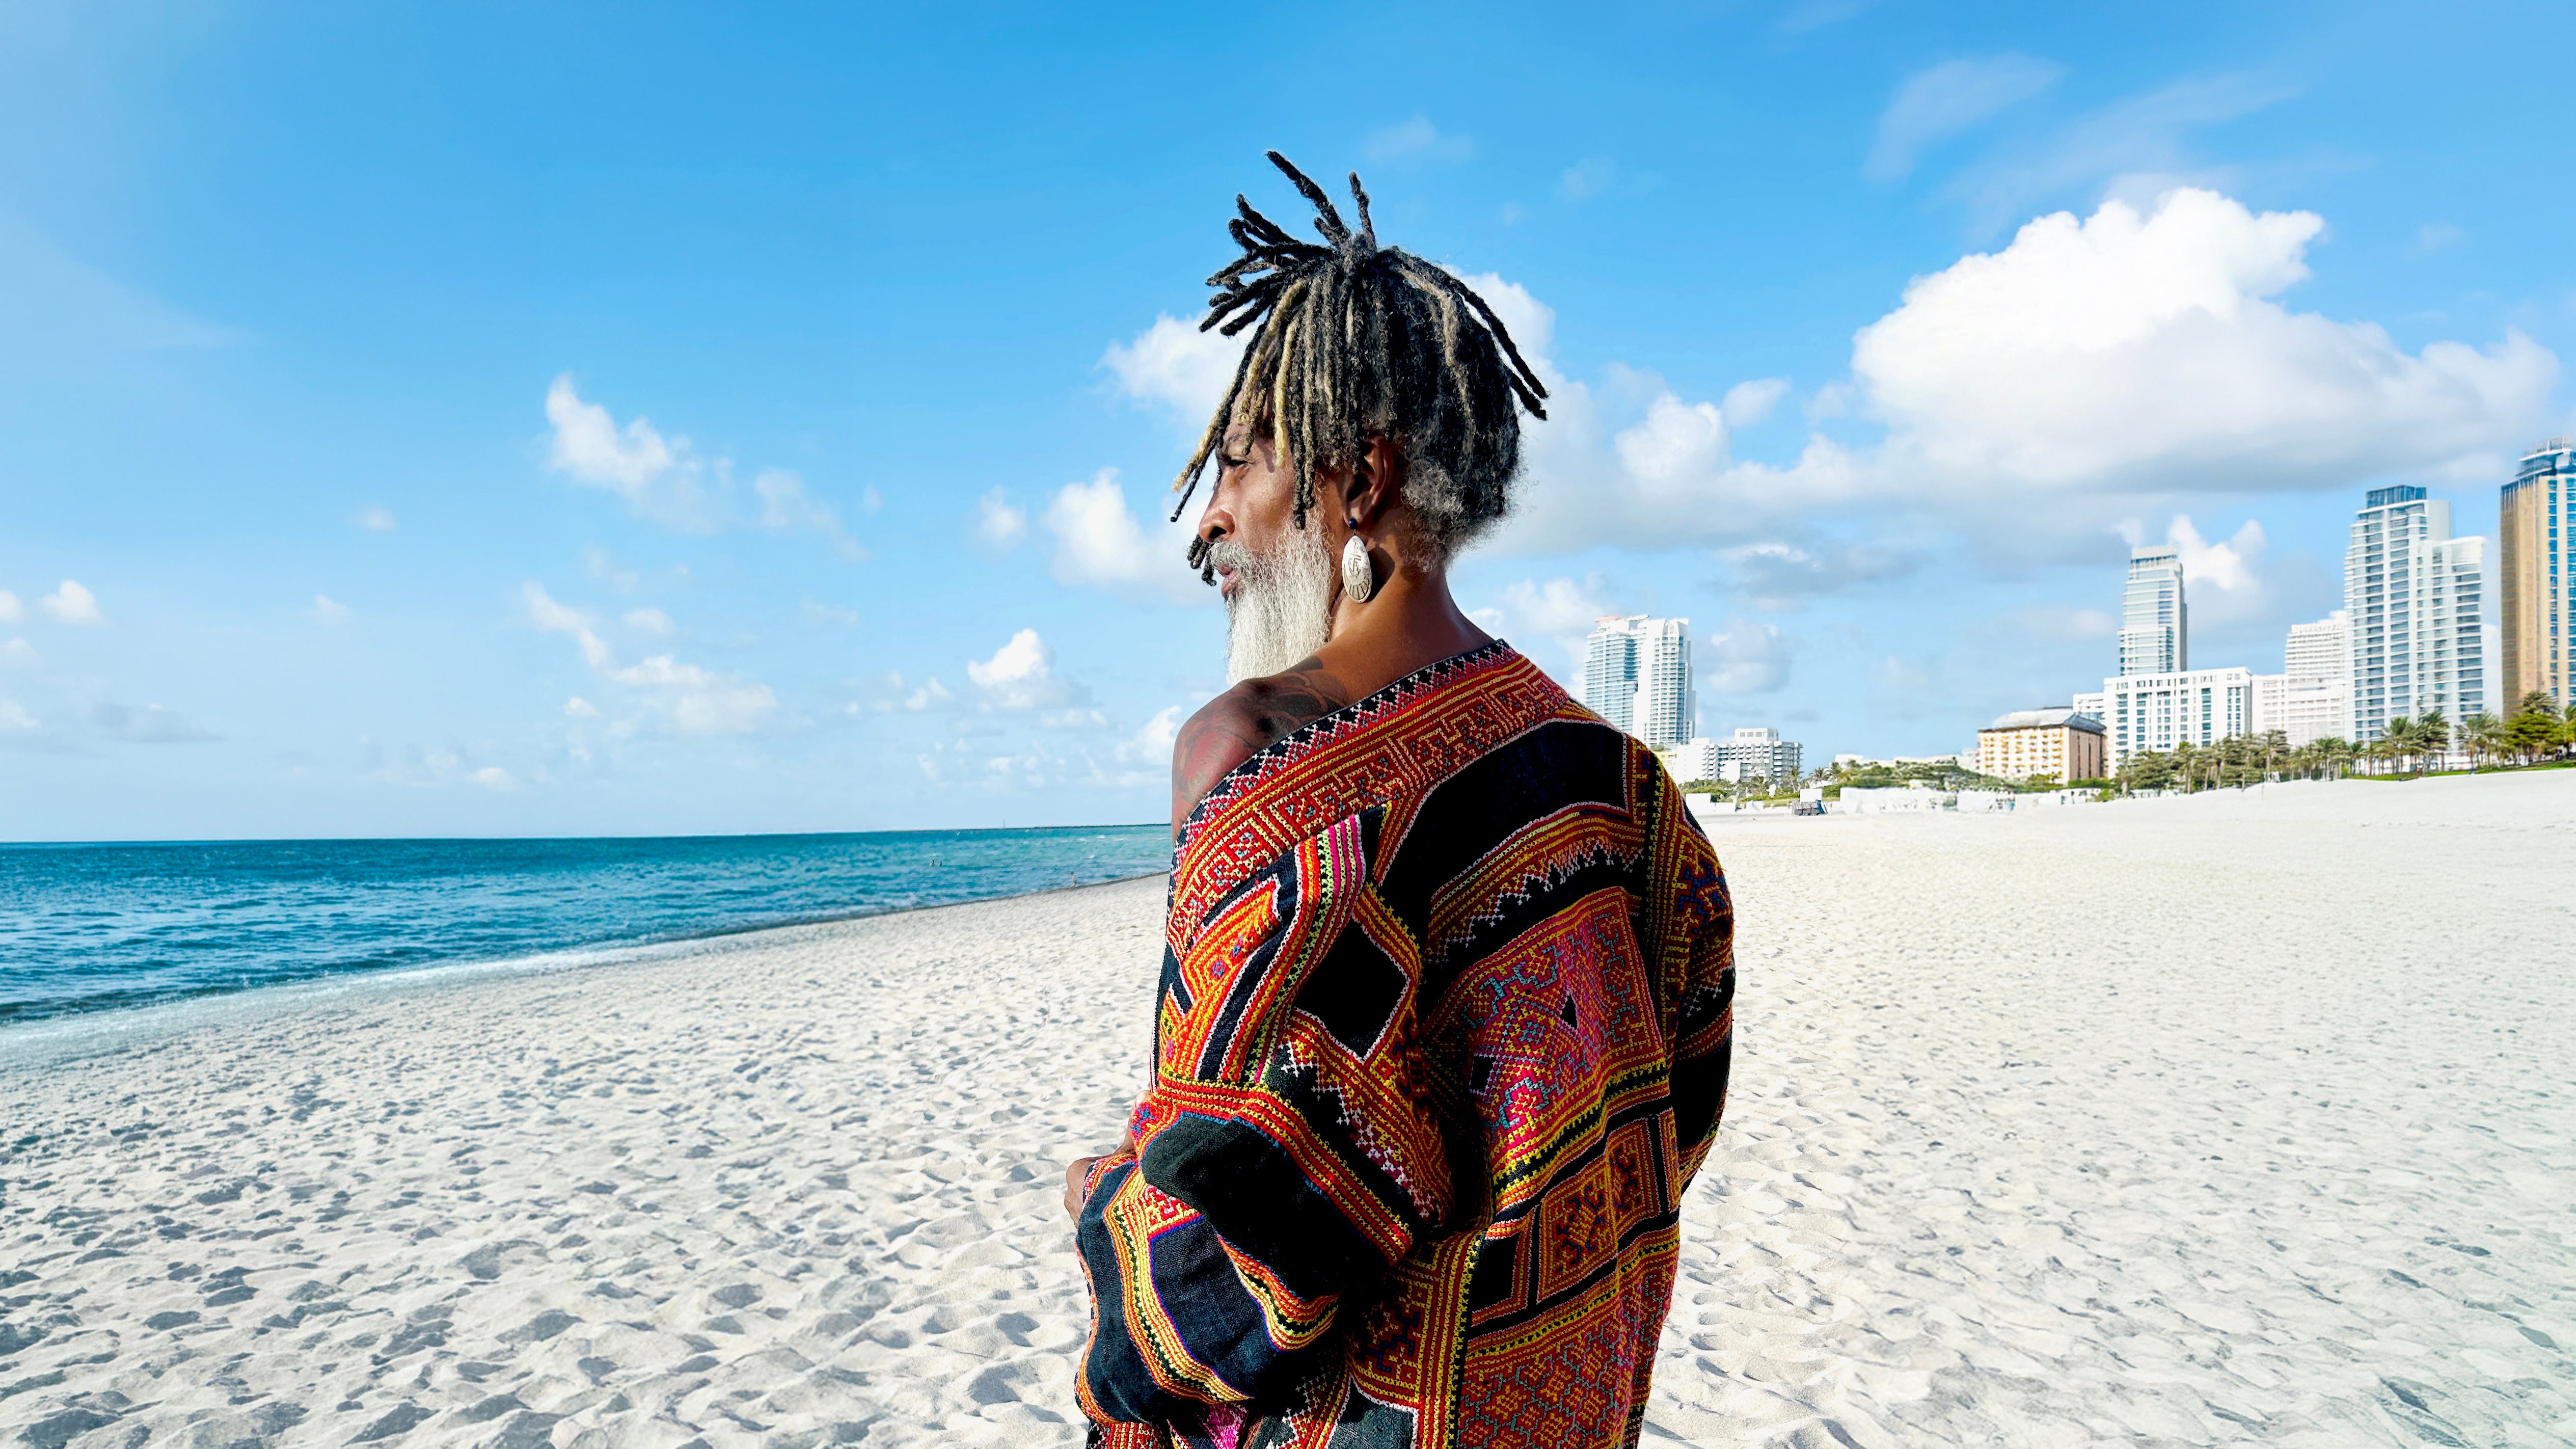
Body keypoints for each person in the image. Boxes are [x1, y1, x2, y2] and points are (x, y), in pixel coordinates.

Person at [1062, 153, 1736, 1449]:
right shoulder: (1623, 785)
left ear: (1359, 481)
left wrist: (1099, 1205)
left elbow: (1250, 1246)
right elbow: (1675, 1112)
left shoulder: (1256, 756)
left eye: (1240, 467)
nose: (1210, 521)